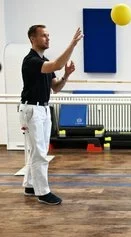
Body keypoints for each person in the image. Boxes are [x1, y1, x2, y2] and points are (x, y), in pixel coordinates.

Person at [19, 25, 83, 205]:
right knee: (39, 152)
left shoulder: (44, 61)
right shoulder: (31, 61)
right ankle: (43, 192)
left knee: (38, 150)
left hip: (44, 109)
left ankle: (30, 185)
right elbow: (57, 64)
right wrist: (72, 44)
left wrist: (66, 76)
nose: (48, 38)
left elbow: (55, 88)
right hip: (32, 110)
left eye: (48, 35)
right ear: (33, 38)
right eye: (44, 36)